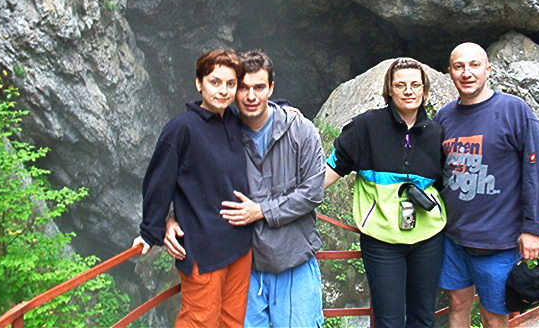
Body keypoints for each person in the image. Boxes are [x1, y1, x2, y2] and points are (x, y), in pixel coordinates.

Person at [165, 50, 326, 328]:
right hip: (244, 263)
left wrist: (262, 210)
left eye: (259, 87)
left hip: (293, 259)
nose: (251, 96)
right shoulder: (223, 131)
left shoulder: (300, 130)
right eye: (243, 88)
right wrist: (171, 217)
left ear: (271, 88)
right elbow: (193, 177)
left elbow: (313, 191)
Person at [132, 49, 253, 328]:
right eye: (215, 82)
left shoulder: (234, 120)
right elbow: (159, 181)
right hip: (203, 247)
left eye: (230, 84)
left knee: (232, 322)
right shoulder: (182, 128)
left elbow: (260, 107)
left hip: (239, 246)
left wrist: (283, 107)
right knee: (200, 321)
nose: (223, 91)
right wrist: (151, 230)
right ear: (199, 83)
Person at [436, 42, 539, 328]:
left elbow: (537, 172)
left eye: (474, 65)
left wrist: (533, 229)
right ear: (450, 72)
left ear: (488, 69)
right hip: (453, 238)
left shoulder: (514, 110)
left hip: (499, 242)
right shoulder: (444, 116)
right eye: (459, 66)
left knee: (493, 316)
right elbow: (436, 172)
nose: (467, 73)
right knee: (457, 304)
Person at [325, 58, 447, 328]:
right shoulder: (366, 127)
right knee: (389, 320)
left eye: (415, 85)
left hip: (428, 238)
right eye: (400, 85)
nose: (408, 91)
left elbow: (446, 184)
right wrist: (284, 203)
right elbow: (331, 170)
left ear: (425, 90)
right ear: (389, 90)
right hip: (382, 240)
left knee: (424, 316)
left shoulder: (436, 133)